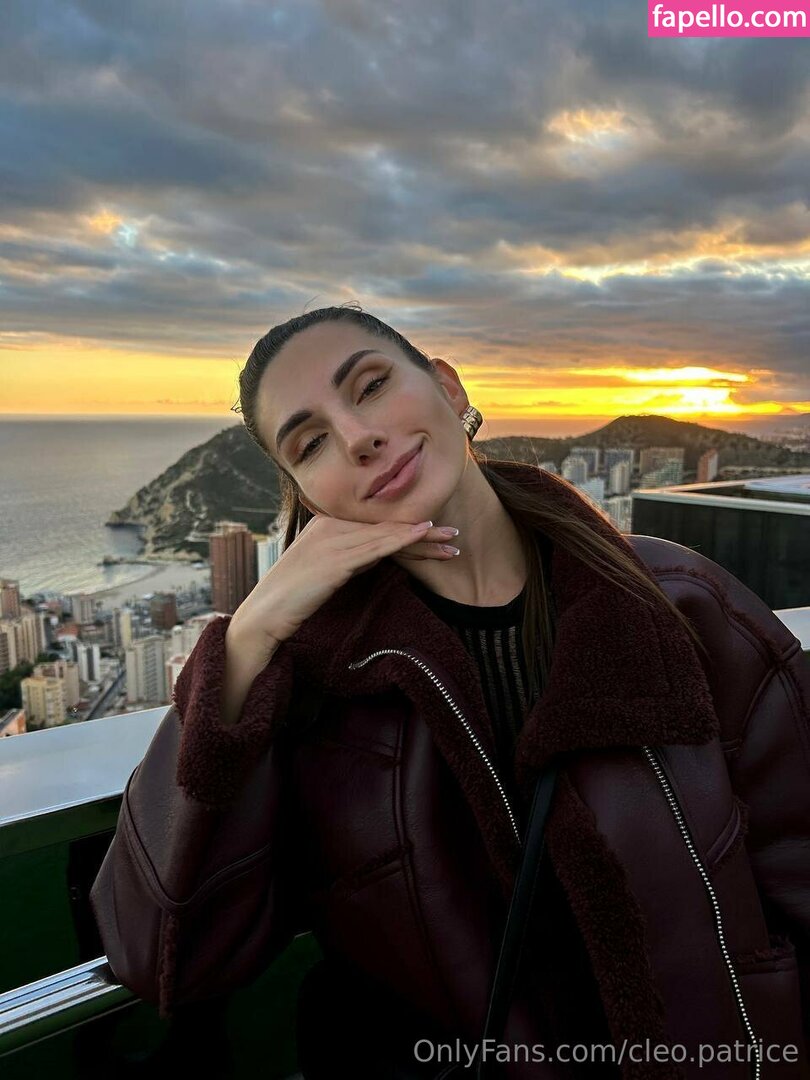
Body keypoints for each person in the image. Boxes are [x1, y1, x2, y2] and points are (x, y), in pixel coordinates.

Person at [90, 302, 810, 1079]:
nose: (358, 438)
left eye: (370, 386)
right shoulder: (309, 687)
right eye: (311, 443)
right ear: (306, 493)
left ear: (447, 385)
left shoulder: (679, 603)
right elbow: (163, 956)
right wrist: (246, 641)